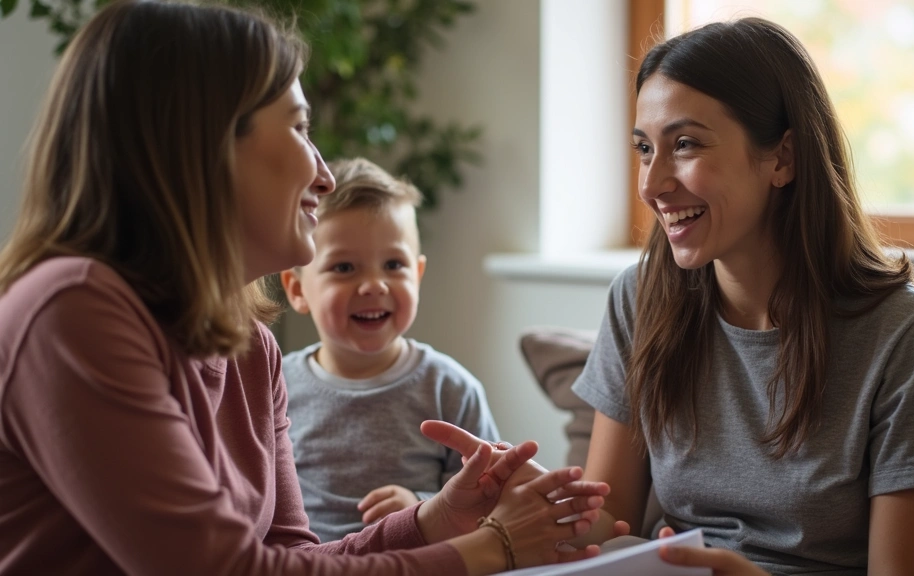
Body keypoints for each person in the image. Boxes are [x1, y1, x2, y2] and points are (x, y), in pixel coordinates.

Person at [0, 1, 610, 574]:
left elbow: (291, 553)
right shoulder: (71, 312)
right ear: (202, 146)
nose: (322, 173)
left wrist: (434, 520)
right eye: (298, 128)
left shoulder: (249, 348)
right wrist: (488, 548)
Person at [569, 17, 914, 575]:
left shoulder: (905, 333)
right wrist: (529, 511)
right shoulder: (641, 297)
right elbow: (607, 525)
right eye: (646, 148)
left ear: (783, 158)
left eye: (685, 144)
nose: (652, 183)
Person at [278, 157, 501, 541]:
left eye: (393, 264)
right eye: (345, 268)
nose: (374, 286)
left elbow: (490, 501)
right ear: (298, 289)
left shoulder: (449, 388)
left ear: (417, 275)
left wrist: (424, 506)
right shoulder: (275, 385)